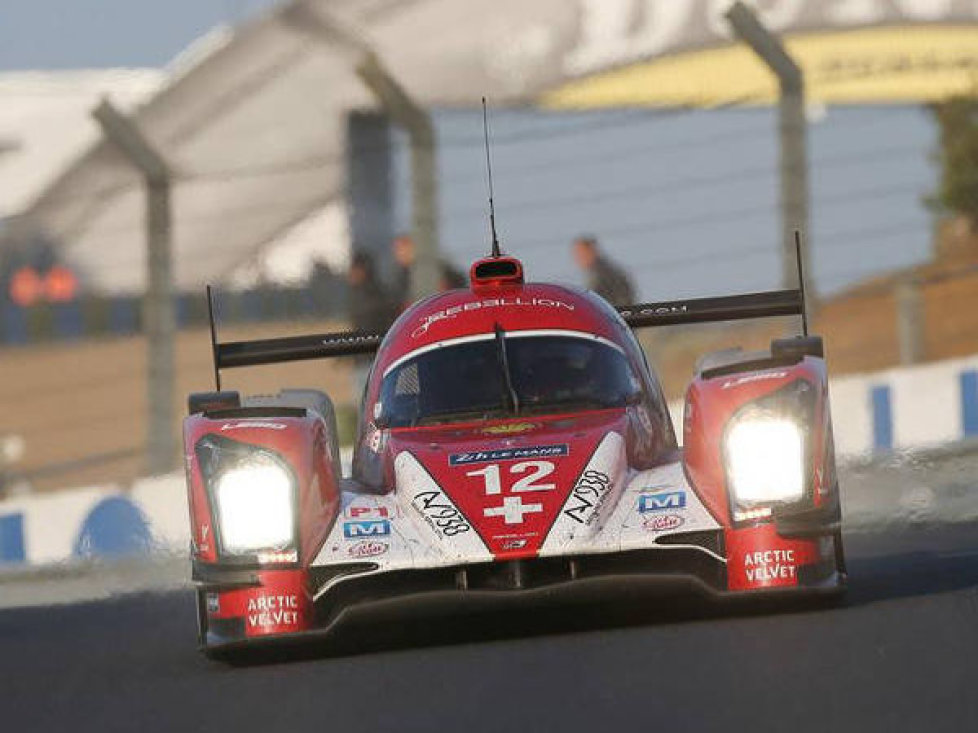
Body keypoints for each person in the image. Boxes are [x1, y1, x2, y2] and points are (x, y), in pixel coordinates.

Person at [348, 251, 396, 405]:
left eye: (354, 270)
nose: (351, 274)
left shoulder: (371, 296)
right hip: (366, 360)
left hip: (371, 360)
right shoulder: (366, 294)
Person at [391, 233, 467, 309]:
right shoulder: (400, 277)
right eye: (397, 249)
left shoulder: (437, 269)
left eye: (403, 248)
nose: (399, 253)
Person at [571, 235, 636, 306]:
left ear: (592, 251)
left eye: (582, 253)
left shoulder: (601, 273)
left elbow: (592, 300)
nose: (578, 258)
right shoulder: (601, 270)